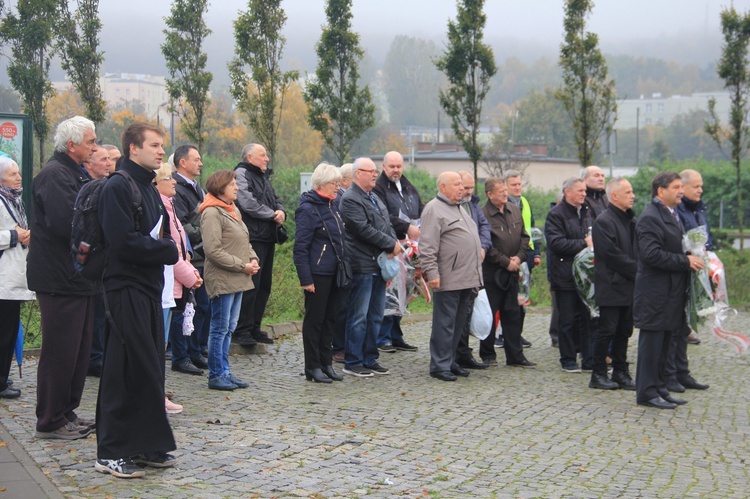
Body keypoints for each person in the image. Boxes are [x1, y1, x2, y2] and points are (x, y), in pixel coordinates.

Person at [95, 122, 180, 478]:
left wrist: (164, 248)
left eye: (162, 146)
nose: (162, 152)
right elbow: (123, 241)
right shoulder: (118, 186)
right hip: (123, 287)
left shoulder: (146, 186)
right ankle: (110, 451)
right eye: (155, 145)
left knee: (149, 367)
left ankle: (146, 444)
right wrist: (166, 249)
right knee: (122, 367)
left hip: (147, 289)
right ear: (134, 148)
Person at [27, 116, 98, 440]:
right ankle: (50, 418)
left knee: (79, 349)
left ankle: (67, 410)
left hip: (77, 277)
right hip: (58, 277)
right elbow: (66, 223)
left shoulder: (75, 173)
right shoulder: (54, 175)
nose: (94, 147)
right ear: (72, 145)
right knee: (60, 351)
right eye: (91, 142)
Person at [634, 172, 705, 410]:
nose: (681, 191)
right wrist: (685, 262)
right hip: (655, 293)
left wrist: (691, 258)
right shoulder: (649, 217)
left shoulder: (673, 215)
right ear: (660, 191)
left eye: (681, 187)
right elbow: (651, 255)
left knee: (665, 345)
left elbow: (672, 247)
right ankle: (646, 391)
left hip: (672, 292)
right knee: (652, 344)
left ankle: (660, 388)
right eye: (676, 187)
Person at [340, 157, 402, 377]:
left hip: (379, 264)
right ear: (358, 174)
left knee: (376, 315)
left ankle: (370, 357)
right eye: (371, 171)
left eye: (376, 171)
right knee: (359, 316)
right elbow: (362, 229)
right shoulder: (350, 199)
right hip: (362, 264)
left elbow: (387, 225)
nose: (375, 174)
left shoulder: (374, 197)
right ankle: (353, 361)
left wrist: (394, 243)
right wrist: (390, 244)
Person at [200, 170, 259, 391]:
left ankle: (225, 371)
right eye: (232, 184)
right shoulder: (212, 213)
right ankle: (216, 374)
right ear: (220, 187)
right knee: (220, 328)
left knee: (229, 327)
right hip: (223, 279)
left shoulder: (232, 210)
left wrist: (252, 258)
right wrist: (241, 265)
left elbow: (244, 240)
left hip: (238, 277)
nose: (237, 187)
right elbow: (212, 250)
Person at [420, 172, 483, 381]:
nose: (461, 188)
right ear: (443, 186)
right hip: (448, 276)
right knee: (444, 323)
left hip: (467, 276)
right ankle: (439, 365)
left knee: (458, 323)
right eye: (456, 185)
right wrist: (432, 273)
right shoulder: (434, 210)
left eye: (462, 185)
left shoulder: (461, 207)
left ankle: (450, 360)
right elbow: (427, 246)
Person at [154, 162, 202, 412]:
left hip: (174, 279)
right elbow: (169, 249)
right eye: (168, 179)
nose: (174, 182)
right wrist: (190, 275)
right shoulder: (160, 207)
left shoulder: (169, 206)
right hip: (165, 282)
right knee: (158, 342)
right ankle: (155, 392)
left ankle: (157, 388)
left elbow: (181, 244)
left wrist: (188, 263)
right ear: (156, 184)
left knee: (160, 341)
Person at [294, 163, 346, 383]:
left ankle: (326, 363)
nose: (338, 187)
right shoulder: (308, 209)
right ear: (322, 184)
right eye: (335, 183)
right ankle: (312, 366)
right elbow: (301, 247)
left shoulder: (333, 206)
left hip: (335, 272)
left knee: (330, 320)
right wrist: (306, 279)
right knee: (315, 321)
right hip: (317, 274)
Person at [479, 177, 536, 368]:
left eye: (506, 190)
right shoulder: (483, 214)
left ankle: (515, 356)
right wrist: (505, 262)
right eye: (501, 191)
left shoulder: (514, 209)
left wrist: (518, 259)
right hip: (492, 273)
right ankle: (487, 354)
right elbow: (486, 244)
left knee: (513, 314)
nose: (505, 193)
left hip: (512, 272)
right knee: (489, 314)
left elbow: (524, 237)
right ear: (490, 194)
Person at [233, 143, 286, 346]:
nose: (266, 159)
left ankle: (255, 326)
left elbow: (275, 199)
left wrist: (281, 211)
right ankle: (242, 329)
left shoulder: (263, 177)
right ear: (249, 157)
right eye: (262, 155)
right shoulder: (241, 173)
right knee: (250, 285)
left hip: (267, 236)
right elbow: (247, 202)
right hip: (251, 237)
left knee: (264, 286)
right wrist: (272, 214)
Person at [590, 178, 638, 390]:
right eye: (627, 192)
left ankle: (620, 371)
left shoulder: (631, 220)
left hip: (629, 285)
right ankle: (598, 374)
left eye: (632, 191)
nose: (632, 195)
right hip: (611, 285)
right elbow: (611, 254)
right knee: (607, 330)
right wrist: (638, 270)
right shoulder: (604, 221)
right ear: (615, 196)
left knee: (624, 331)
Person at [372, 151, 422, 353]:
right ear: (384, 167)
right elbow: (383, 215)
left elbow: (419, 209)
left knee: (404, 292)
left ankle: (396, 335)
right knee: (388, 293)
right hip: (391, 245)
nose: (395, 170)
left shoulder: (408, 186)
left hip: (408, 247)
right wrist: (406, 227)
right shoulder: (379, 188)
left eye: (399, 166)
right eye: (392, 166)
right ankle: (382, 337)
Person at [667, 169, 711, 390]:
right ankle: (672, 374)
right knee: (676, 327)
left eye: (701, 186)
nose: (700, 190)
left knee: (684, 327)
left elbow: (704, 239)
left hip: (694, 271)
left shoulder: (699, 208)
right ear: (683, 188)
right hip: (679, 272)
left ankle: (682, 373)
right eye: (696, 186)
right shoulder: (676, 211)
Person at [544, 177, 593, 373]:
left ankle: (589, 359)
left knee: (588, 319)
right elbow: (556, 244)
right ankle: (568, 359)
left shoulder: (587, 211)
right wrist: (584, 243)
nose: (584, 194)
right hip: (564, 275)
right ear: (567, 192)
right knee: (567, 320)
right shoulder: (555, 215)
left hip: (586, 276)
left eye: (585, 191)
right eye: (580, 191)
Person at [170, 144, 209, 375]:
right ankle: (181, 355)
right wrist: (207, 232)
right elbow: (182, 226)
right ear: (182, 162)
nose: (201, 163)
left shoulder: (197, 188)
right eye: (196, 159)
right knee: (184, 309)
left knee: (201, 307)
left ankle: (195, 351)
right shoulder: (177, 189)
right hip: (187, 258)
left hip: (201, 256)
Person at [0, 157, 34, 399]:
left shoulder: (15, 200)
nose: (18, 178)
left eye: (18, 173)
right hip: (3, 277)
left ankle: (2, 374)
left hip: (13, 276)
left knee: (9, 331)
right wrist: (14, 235)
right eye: (13, 174)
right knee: (3, 332)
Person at [454, 170, 491, 370]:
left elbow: (484, 227)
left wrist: (483, 247)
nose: (468, 191)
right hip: (458, 267)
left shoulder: (473, 205)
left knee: (468, 311)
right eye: (465, 188)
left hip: (475, 265)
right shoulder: (450, 205)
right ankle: (455, 354)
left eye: (471, 188)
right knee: (458, 313)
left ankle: (464, 352)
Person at [84, 147, 113, 378]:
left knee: (103, 313)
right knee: (94, 315)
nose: (108, 164)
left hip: (105, 262)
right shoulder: (84, 187)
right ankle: (95, 358)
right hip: (88, 262)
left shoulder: (108, 186)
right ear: (89, 163)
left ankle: (100, 356)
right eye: (103, 159)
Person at [503, 170, 538, 349]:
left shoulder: (524, 202)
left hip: (526, 254)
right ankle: (502, 334)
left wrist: (536, 252)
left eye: (519, 184)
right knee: (508, 300)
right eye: (513, 185)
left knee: (523, 297)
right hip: (510, 257)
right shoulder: (502, 203)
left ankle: (518, 334)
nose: (517, 188)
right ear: (505, 187)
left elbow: (531, 229)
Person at [332, 163, 353, 363]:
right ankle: (338, 346)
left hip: (347, 257)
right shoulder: (341, 199)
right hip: (342, 258)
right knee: (341, 305)